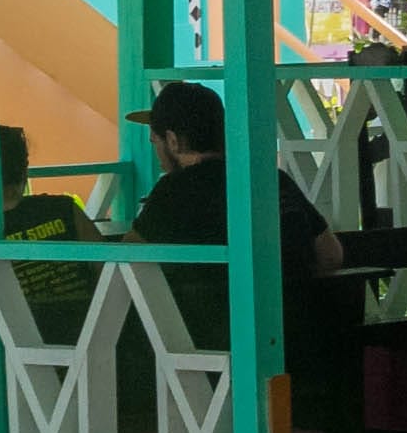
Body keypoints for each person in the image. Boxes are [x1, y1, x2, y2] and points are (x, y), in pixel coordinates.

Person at [120, 76, 342, 349]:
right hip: (300, 337)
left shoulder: (173, 191)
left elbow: (124, 265)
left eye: (155, 141)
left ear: (173, 141)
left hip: (217, 347)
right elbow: (331, 254)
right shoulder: (272, 180)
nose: (156, 153)